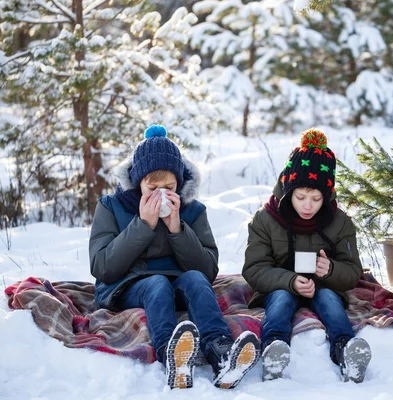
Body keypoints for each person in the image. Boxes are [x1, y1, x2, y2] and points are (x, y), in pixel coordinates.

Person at [89, 125, 259, 390]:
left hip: (178, 282)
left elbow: (207, 269)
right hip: (127, 285)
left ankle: (221, 352)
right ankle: (173, 354)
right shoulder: (111, 207)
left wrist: (177, 228)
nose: (161, 194)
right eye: (152, 187)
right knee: (156, 283)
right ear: (137, 183)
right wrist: (142, 225)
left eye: (169, 187)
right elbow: (102, 268)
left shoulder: (193, 210)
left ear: (179, 184)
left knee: (195, 280)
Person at [242, 128, 372, 383]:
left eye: (316, 198)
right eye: (300, 197)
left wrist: (331, 270)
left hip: (323, 286)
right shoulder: (265, 219)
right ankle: (274, 350)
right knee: (279, 301)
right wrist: (289, 281)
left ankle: (345, 350)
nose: (308, 205)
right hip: (280, 285)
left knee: (331, 303)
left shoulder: (339, 222)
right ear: (288, 190)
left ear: (327, 195)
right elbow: (254, 268)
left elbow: (353, 271)